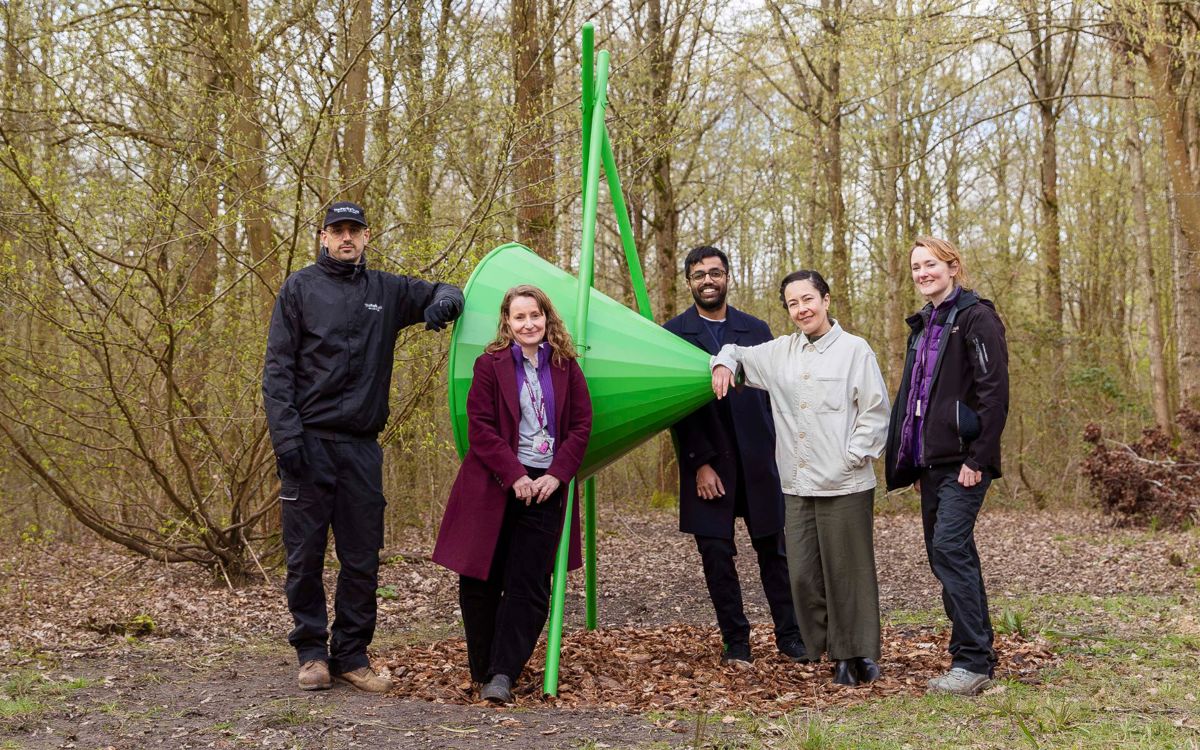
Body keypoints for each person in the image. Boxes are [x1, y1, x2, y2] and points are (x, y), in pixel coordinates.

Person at [263, 200, 464, 692]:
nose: (345, 238)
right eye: (337, 230)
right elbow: (277, 370)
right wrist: (287, 439)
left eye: (354, 230)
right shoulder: (299, 288)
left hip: (361, 448)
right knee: (304, 556)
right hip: (307, 443)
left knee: (361, 558)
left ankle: (351, 654)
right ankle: (311, 653)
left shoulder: (387, 291)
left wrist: (445, 303)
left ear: (367, 236)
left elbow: (446, 289)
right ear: (323, 236)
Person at [712, 270, 889, 685]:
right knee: (805, 574)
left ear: (826, 300)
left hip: (845, 482)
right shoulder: (780, 353)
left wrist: (853, 455)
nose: (802, 309)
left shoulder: (854, 350)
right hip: (796, 483)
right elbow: (736, 351)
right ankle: (825, 646)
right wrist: (722, 362)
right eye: (792, 303)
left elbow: (876, 410)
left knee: (848, 572)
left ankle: (855, 654)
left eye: (808, 299)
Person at [432, 285, 592, 704]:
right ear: (507, 322)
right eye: (519, 317)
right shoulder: (490, 365)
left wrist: (556, 476)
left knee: (530, 582)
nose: (528, 324)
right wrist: (515, 475)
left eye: (535, 315)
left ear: (547, 318)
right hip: (495, 482)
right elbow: (480, 427)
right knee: (479, 578)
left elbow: (580, 427)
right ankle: (483, 667)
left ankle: (504, 673)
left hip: (547, 487)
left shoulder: (566, 366)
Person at [664, 246, 804, 666]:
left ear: (728, 277)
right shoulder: (673, 334)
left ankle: (791, 636)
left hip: (759, 458)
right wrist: (698, 463)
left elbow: (774, 393)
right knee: (717, 557)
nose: (708, 280)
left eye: (716, 273)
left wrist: (782, 452)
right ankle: (737, 642)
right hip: (708, 462)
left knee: (775, 554)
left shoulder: (755, 328)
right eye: (699, 274)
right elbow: (673, 407)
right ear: (688, 281)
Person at [885, 237, 1009, 696]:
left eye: (931, 264)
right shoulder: (923, 325)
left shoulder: (977, 318)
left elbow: (994, 395)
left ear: (953, 267)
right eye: (916, 267)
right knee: (950, 556)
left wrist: (978, 459)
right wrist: (915, 462)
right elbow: (916, 398)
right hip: (932, 466)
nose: (922, 273)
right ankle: (978, 655)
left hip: (966, 463)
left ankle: (971, 662)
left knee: (950, 551)